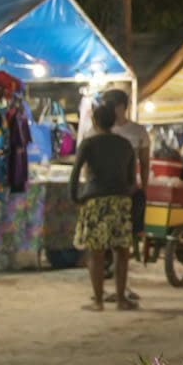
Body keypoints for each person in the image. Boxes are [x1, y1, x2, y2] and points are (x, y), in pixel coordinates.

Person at [70, 103, 138, 312]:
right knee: (122, 252)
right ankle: (120, 299)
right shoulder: (125, 145)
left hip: (95, 200)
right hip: (120, 200)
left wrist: (76, 198)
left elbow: (75, 174)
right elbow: (131, 180)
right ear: (114, 121)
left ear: (94, 121)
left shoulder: (88, 144)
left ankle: (98, 301)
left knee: (96, 253)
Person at [98, 88, 150, 301]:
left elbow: (145, 162)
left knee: (124, 243)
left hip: (127, 192)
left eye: (110, 105)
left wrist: (143, 188)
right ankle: (101, 289)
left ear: (121, 107)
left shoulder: (137, 132)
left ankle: (122, 288)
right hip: (102, 192)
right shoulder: (96, 132)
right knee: (102, 243)